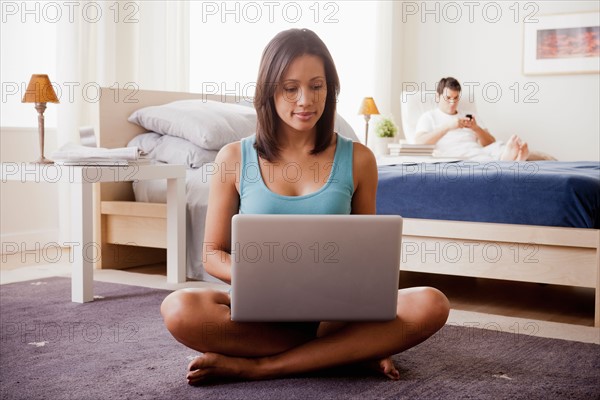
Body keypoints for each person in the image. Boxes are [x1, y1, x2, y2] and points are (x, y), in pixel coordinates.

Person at [160, 28, 450, 385]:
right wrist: (264, 280)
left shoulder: (359, 159)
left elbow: (366, 254)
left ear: (330, 89)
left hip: (336, 312)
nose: (306, 100)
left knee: (431, 303)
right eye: (290, 88)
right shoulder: (233, 157)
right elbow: (212, 253)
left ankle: (261, 366)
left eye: (317, 86)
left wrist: (352, 297)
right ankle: (346, 351)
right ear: (269, 90)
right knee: (179, 309)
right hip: (261, 313)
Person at [414, 77, 552, 161]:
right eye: (448, 98)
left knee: (497, 147)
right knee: (485, 156)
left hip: (478, 151)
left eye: (456, 98)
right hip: (455, 155)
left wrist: (476, 128)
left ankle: (511, 158)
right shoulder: (429, 117)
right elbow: (419, 143)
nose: (452, 102)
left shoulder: (468, 114)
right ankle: (512, 160)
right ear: (437, 96)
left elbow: (489, 142)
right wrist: (448, 127)